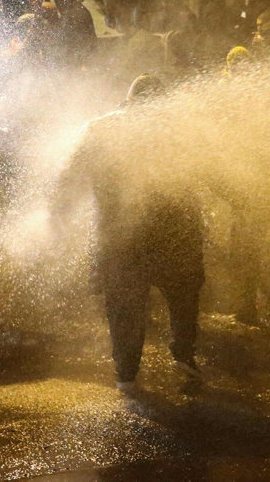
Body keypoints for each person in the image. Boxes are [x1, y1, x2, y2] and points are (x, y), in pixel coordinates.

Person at [53, 74, 206, 391]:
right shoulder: (182, 129)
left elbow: (71, 174)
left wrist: (61, 212)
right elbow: (214, 171)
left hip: (122, 237)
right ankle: (183, 353)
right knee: (183, 296)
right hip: (177, 233)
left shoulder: (101, 127)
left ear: (129, 100)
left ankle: (126, 373)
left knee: (125, 306)